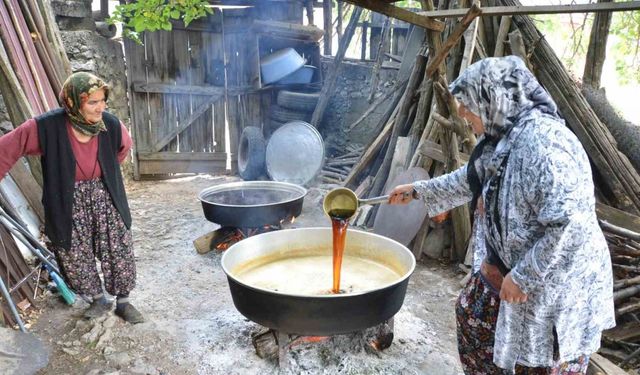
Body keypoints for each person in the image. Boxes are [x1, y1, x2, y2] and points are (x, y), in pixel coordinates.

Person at [389, 56, 615, 374]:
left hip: (552, 280)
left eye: (468, 104)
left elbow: (570, 225)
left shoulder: (544, 146)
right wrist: (419, 191)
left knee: (536, 364)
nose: (462, 113)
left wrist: (524, 276)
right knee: (472, 318)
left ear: (495, 100)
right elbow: (472, 176)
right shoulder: (505, 136)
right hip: (506, 266)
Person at [0, 72, 144, 323]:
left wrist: (103, 172)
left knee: (117, 247)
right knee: (74, 252)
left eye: (103, 100)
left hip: (105, 193)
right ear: (74, 103)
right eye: (93, 102)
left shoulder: (110, 124)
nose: (101, 107)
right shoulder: (46, 127)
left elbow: (123, 148)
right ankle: (98, 299)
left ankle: (123, 302)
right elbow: (8, 148)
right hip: (67, 199)